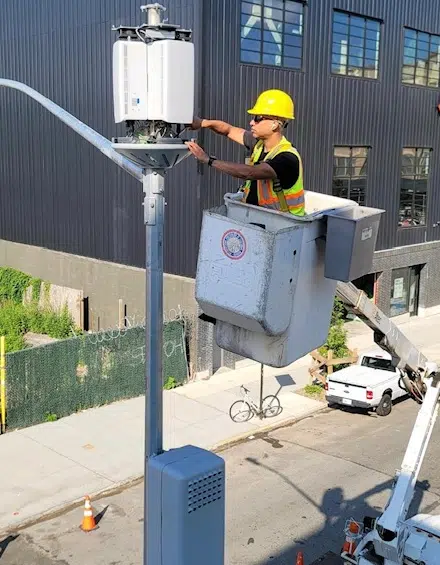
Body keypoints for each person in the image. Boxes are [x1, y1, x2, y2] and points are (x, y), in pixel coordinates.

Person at [186, 89, 305, 216]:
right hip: (260, 219)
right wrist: (202, 123)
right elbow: (229, 130)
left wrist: (208, 160)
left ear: (274, 124)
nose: (251, 122)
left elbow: (250, 172)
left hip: (286, 224)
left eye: (258, 118)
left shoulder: (287, 158)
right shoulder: (259, 144)